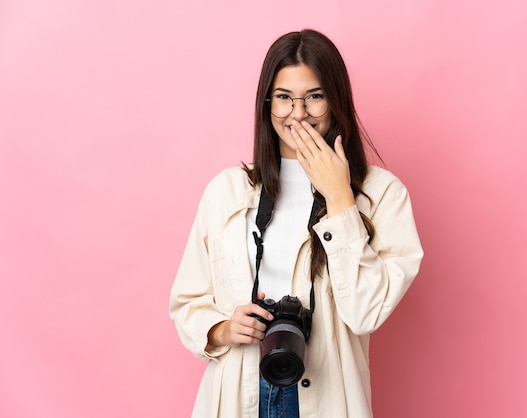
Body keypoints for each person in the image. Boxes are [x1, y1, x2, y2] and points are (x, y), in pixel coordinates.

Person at [169, 29, 423, 418]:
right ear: (267, 103)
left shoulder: (381, 195)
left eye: (315, 97)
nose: (298, 113)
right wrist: (222, 329)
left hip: (325, 396)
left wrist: (340, 199)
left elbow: (366, 313)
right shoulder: (226, 191)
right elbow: (187, 301)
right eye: (284, 98)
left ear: (336, 101)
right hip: (240, 387)